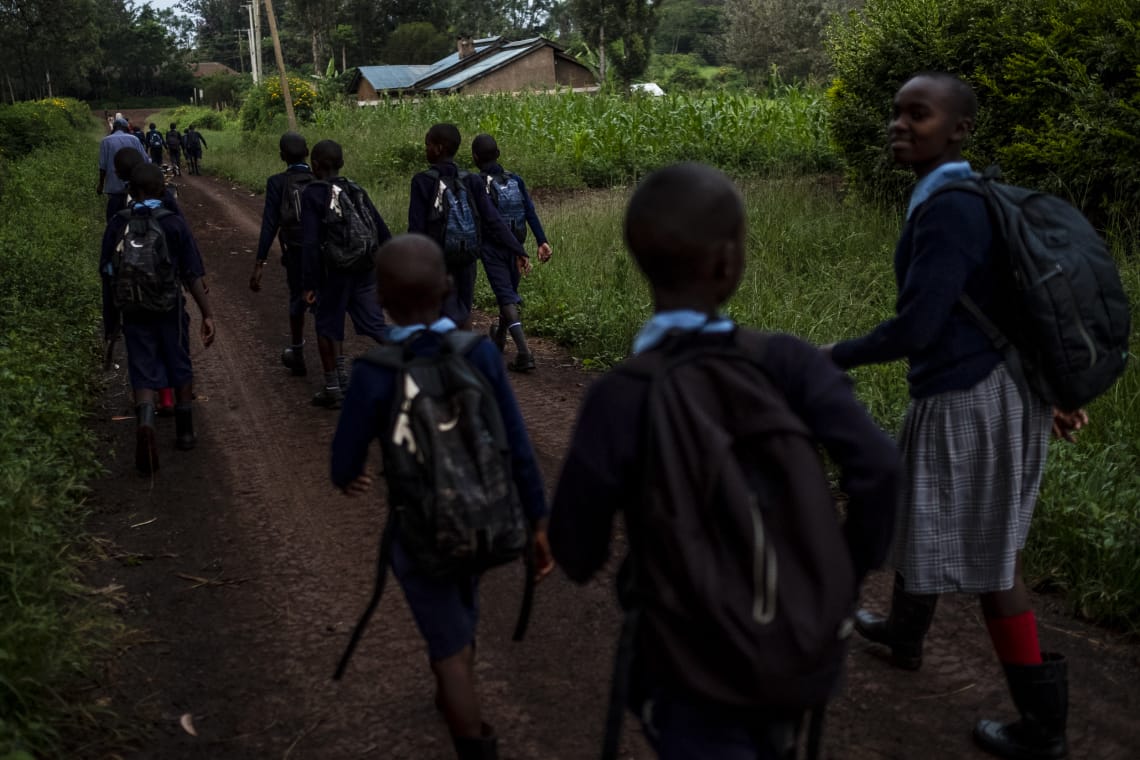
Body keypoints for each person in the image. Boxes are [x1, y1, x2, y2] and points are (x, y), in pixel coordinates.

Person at [549, 163, 899, 759]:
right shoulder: (789, 362)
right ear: (728, 262)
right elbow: (881, 470)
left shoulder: (623, 393)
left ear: (639, 257)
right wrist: (839, 575)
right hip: (795, 654)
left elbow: (578, 553)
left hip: (685, 667)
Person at [823, 72, 1086, 760]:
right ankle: (905, 637)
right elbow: (1007, 302)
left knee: (996, 561)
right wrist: (1053, 388)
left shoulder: (950, 208)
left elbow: (918, 325)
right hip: (975, 386)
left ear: (960, 129)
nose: (899, 124)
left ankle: (1042, 725)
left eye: (919, 114)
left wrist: (831, 355)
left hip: (974, 395)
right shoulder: (954, 194)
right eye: (896, 112)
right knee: (920, 500)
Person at [330, 233, 554, 760]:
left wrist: (350, 477)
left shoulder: (374, 372)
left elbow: (343, 462)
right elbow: (518, 446)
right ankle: (451, 677)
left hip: (419, 530)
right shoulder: (480, 354)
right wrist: (538, 522)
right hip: (481, 514)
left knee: (448, 647)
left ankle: (473, 737)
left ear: (380, 299)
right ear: (449, 287)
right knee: (462, 602)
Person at [100, 163, 215, 474]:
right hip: (169, 307)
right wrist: (207, 314)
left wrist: (111, 323)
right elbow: (191, 274)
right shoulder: (174, 224)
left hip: (133, 310)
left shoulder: (117, 224)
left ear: (130, 191)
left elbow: (107, 274)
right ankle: (186, 431)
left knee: (141, 364)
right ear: (162, 191)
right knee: (179, 360)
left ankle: (147, 420)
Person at [408, 123, 527, 328]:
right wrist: (518, 249)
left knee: (438, 315)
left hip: (436, 261)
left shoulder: (422, 181)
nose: (425, 148)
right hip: (467, 258)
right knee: (463, 312)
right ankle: (467, 354)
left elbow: (416, 229)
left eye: (428, 144)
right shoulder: (471, 180)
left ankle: (447, 355)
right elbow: (493, 219)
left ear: (439, 148)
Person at [301, 139, 389, 407]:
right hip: (364, 268)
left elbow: (311, 243)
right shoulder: (354, 188)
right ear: (341, 163)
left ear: (314, 165)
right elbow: (381, 231)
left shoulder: (313, 193)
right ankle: (414, 362)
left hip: (334, 273)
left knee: (327, 324)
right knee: (376, 324)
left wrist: (310, 283)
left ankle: (333, 386)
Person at [470, 133, 553, 372]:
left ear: (475, 157)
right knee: (509, 293)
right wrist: (541, 240)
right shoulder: (515, 179)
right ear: (498, 154)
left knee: (506, 296)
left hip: (493, 248)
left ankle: (524, 353)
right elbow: (529, 211)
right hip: (517, 245)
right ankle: (499, 336)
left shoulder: (476, 183)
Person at [251, 132, 314, 376]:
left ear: (282, 156)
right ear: (308, 153)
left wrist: (260, 263)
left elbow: (269, 225)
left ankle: (297, 352)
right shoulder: (319, 176)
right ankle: (335, 366)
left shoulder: (277, 182)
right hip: (323, 251)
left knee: (297, 300)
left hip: (296, 252)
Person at [97, 117, 149, 221]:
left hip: (113, 186)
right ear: (126, 128)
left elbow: (103, 166)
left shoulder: (105, 141)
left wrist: (101, 184)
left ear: (114, 128)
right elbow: (145, 160)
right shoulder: (134, 139)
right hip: (134, 186)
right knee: (136, 216)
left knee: (114, 218)